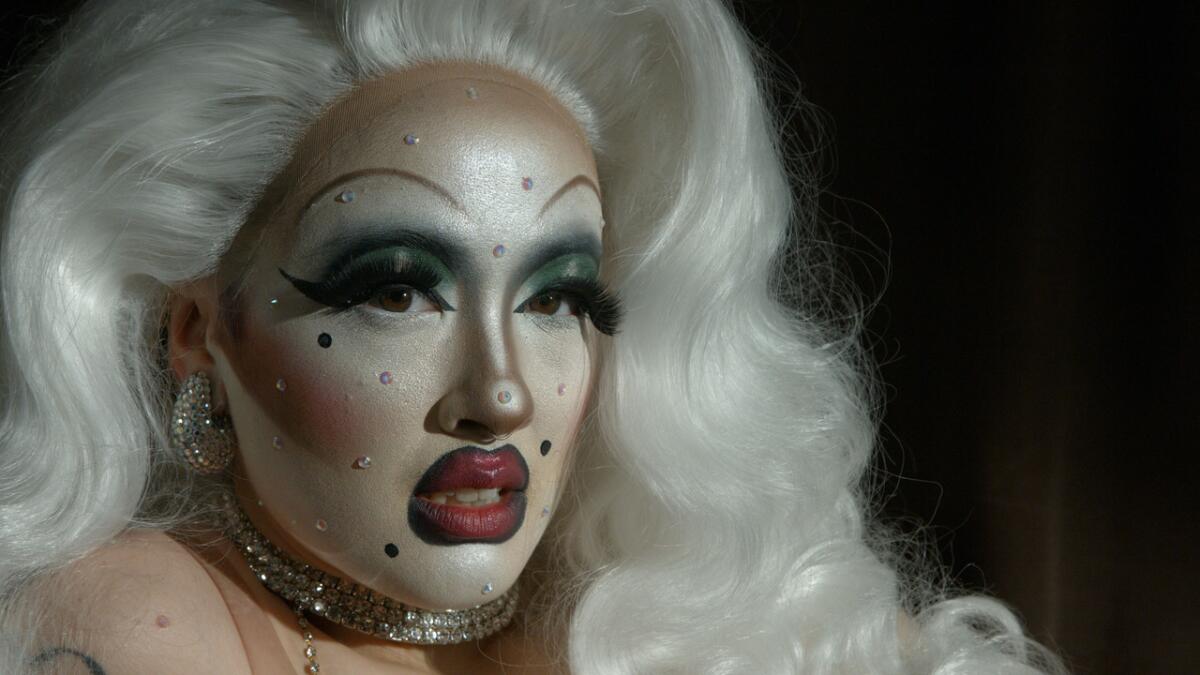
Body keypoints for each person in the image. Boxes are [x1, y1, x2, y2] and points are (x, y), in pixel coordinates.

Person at [0, 1, 1066, 672]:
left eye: (557, 300)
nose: (500, 396)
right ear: (200, 336)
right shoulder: (133, 611)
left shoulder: (637, 626)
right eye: (400, 290)